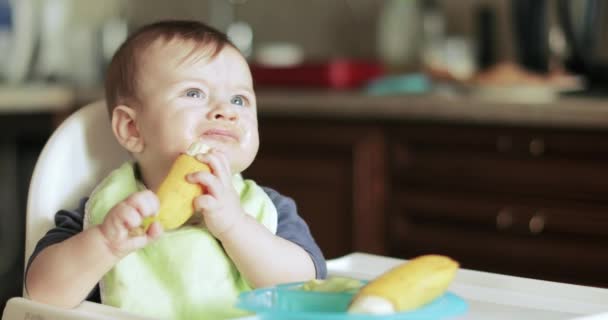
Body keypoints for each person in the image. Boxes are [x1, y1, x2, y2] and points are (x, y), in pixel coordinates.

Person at [24, 20, 326, 319]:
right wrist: (105, 243)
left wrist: (236, 226)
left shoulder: (266, 209)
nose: (226, 111)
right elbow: (41, 293)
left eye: (239, 99)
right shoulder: (107, 212)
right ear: (132, 128)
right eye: (194, 93)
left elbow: (305, 288)